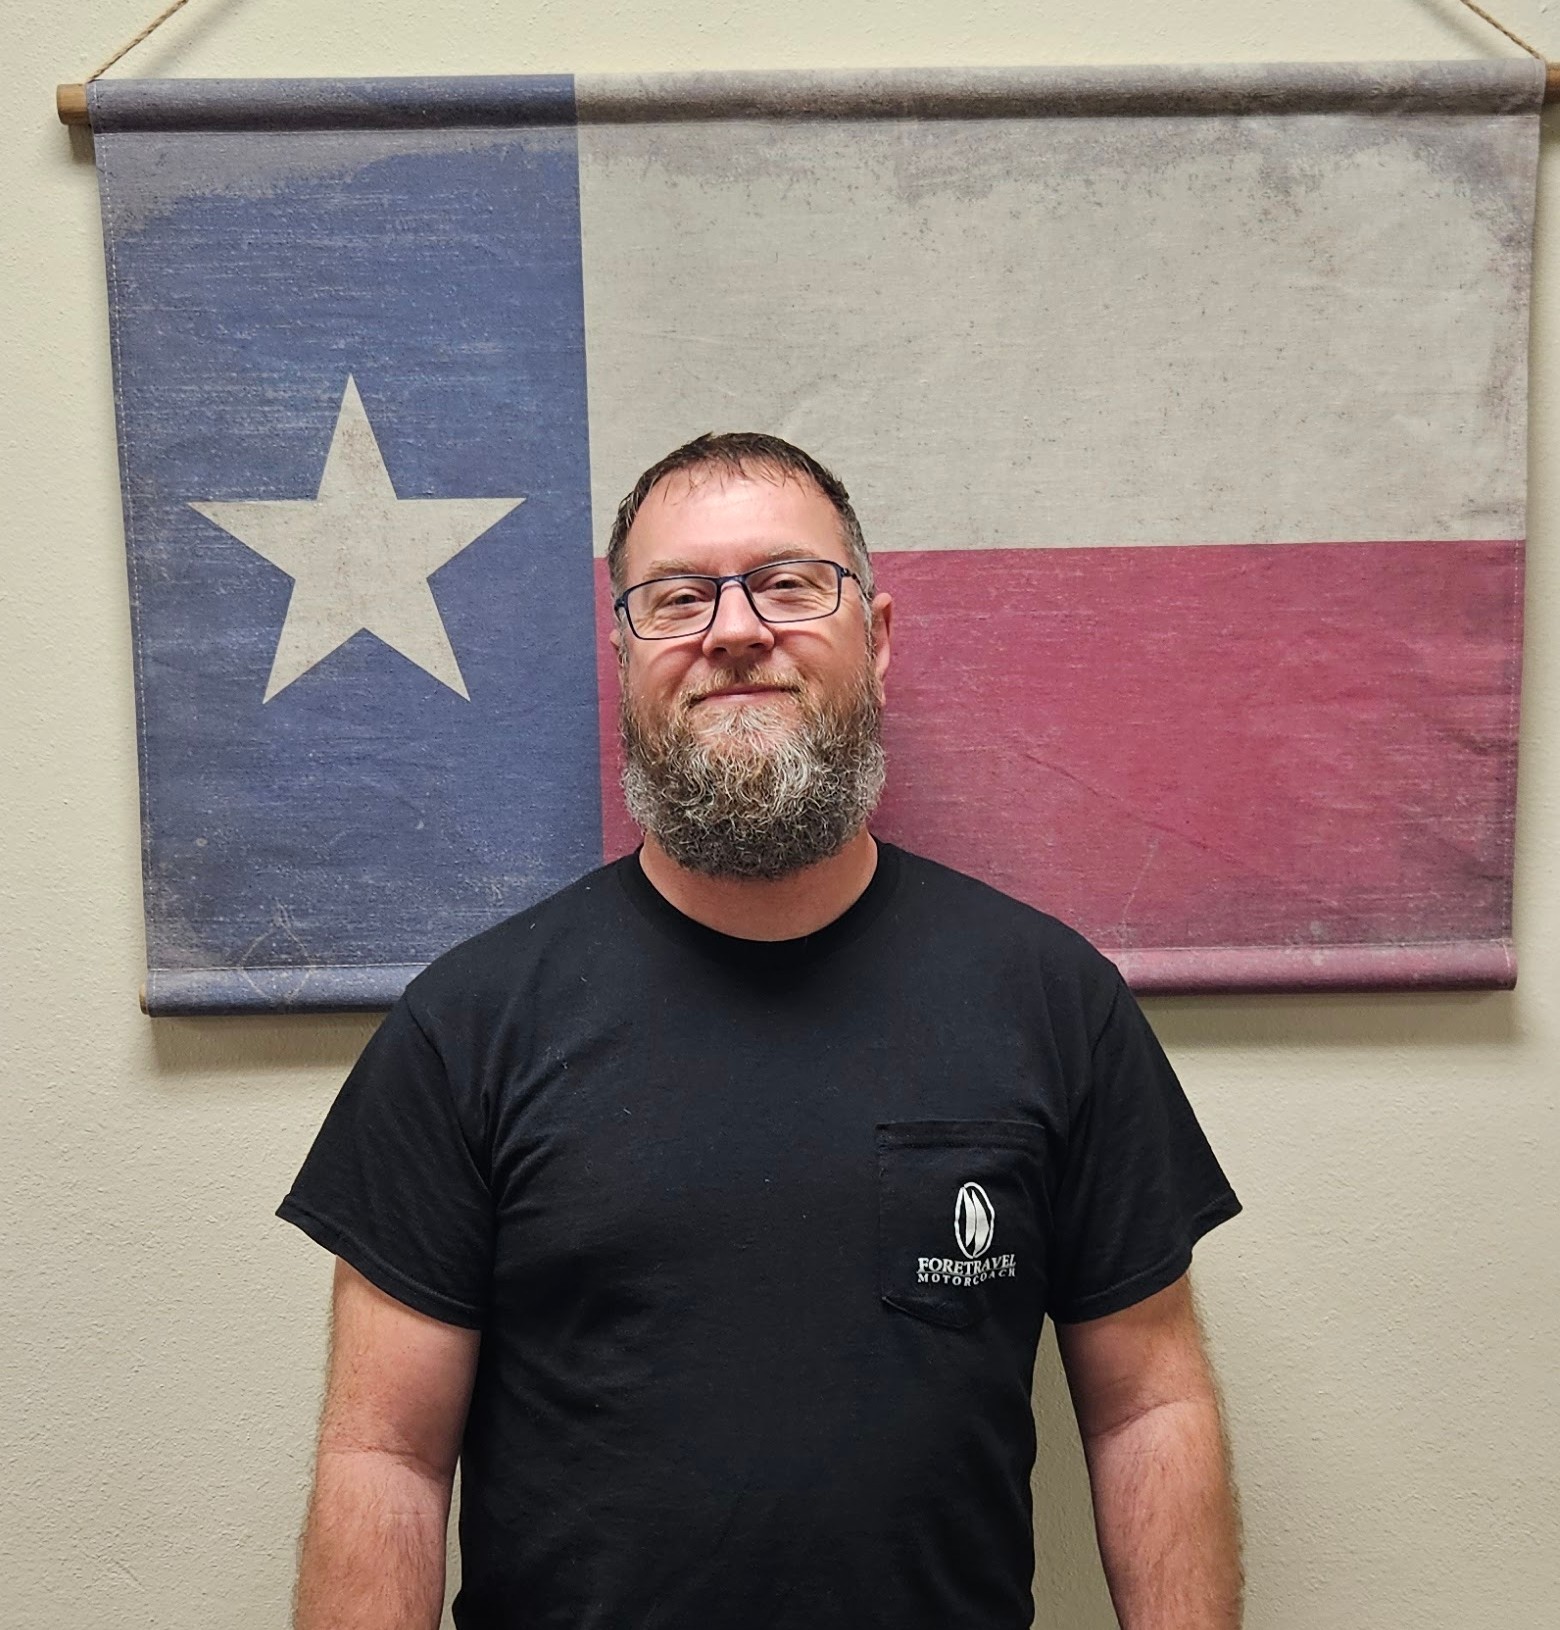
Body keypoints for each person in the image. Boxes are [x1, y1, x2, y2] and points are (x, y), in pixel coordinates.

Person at [279, 432, 1244, 1630]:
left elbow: (1150, 1411)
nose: (735, 630)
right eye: (678, 599)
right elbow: (385, 1458)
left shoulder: (1053, 1002)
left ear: (876, 638)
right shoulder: (465, 1029)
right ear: (624, 655)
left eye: (789, 584)